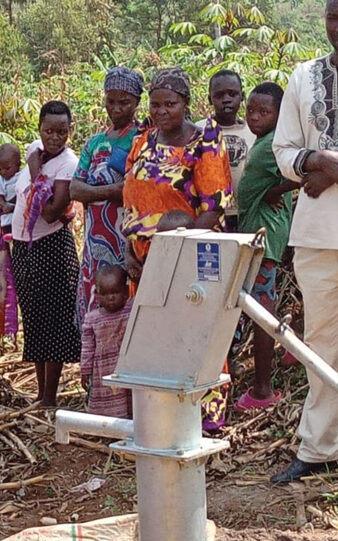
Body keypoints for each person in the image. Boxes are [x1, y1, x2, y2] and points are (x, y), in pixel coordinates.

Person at [123, 67, 232, 430]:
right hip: (143, 262)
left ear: (185, 103)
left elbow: (214, 209)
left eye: (169, 104)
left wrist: (169, 256)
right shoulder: (143, 141)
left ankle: (205, 418)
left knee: (195, 333)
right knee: (155, 336)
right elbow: (131, 200)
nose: (161, 111)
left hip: (187, 260)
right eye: (155, 105)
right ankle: (163, 416)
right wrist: (129, 252)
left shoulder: (205, 143)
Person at [270, 0, 338, 484]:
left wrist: (334, 170)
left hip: (321, 214)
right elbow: (283, 152)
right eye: (332, 18)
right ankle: (320, 448)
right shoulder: (304, 76)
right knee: (323, 345)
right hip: (318, 236)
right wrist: (317, 161)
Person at [11, 100, 82, 406]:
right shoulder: (32, 150)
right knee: (36, 319)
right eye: (49, 130)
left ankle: (49, 397)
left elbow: (53, 213)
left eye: (62, 131)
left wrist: (38, 174)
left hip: (51, 247)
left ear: (71, 130)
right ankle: (40, 394)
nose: (55, 137)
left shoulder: (68, 163)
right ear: (39, 128)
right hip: (24, 248)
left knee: (54, 321)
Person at [233, 82, 296, 412]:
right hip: (257, 234)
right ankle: (289, 353)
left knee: (261, 311)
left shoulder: (276, 144)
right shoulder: (265, 140)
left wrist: (278, 190)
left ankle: (262, 389)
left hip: (265, 239)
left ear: (279, 113)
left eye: (264, 112)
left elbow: (302, 168)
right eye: (251, 110)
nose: (255, 117)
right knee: (260, 306)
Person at [70, 66, 143, 323]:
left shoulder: (141, 139)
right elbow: (74, 189)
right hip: (94, 240)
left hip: (126, 238)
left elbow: (135, 190)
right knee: (96, 307)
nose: (116, 108)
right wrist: (112, 190)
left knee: (126, 306)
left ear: (137, 102)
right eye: (110, 101)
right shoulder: (94, 142)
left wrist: (95, 193)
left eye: (124, 102)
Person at [197, 70, 255, 230]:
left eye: (232, 94)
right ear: (210, 99)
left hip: (246, 212)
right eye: (219, 95)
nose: (226, 100)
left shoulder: (254, 131)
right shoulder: (199, 131)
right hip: (209, 215)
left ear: (242, 96)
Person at [80, 265, 133, 418]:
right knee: (107, 402)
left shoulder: (131, 311)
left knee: (129, 400)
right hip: (103, 370)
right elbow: (87, 348)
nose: (110, 298)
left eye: (115, 292)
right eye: (105, 294)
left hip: (126, 366)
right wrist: (85, 371)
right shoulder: (92, 319)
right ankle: (107, 429)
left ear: (126, 292)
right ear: (97, 295)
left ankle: (128, 428)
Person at [0, 143, 22, 341]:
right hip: (7, 221)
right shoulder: (0, 181)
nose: (3, 172)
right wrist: (4, 205)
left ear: (17, 164)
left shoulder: (22, 176)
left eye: (7, 168)